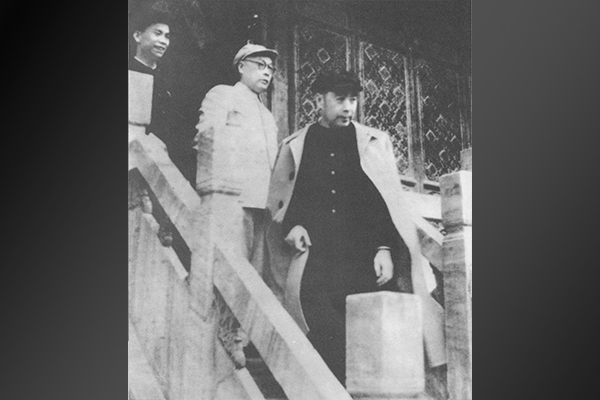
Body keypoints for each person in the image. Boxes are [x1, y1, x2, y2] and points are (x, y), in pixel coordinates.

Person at [264, 69, 446, 385]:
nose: (348, 107)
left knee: (373, 328)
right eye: (340, 99)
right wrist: (292, 226)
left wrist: (384, 249)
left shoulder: (374, 143)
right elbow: (281, 202)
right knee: (321, 326)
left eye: (353, 99)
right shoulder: (295, 145)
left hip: (363, 257)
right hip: (315, 259)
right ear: (319, 101)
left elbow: (384, 203)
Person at [194, 43, 279, 273]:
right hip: (234, 201)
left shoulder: (267, 114)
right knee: (230, 271)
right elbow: (205, 141)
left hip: (263, 204)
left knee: (256, 276)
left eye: (270, 68)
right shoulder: (223, 95)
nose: (267, 72)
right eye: (260, 65)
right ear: (241, 67)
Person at [129, 9, 196, 184]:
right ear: (138, 36)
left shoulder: (171, 79)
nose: (163, 41)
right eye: (157, 33)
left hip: (169, 163)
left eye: (167, 36)